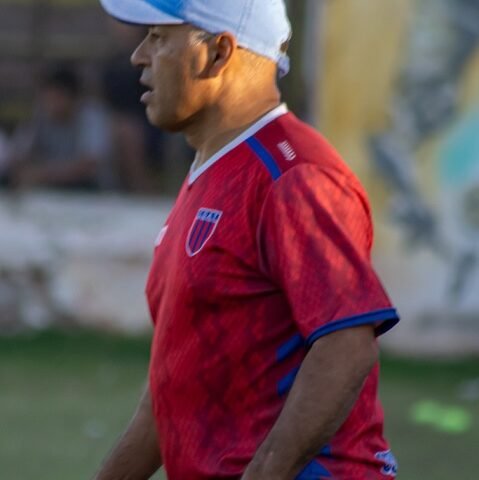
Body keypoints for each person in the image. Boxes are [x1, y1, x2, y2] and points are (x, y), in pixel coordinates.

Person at [94, 1, 400, 479]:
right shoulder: (214, 170)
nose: (138, 56)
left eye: (158, 37)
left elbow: (346, 345)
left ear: (219, 52)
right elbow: (172, 390)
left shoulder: (293, 175)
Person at [8, 66, 114, 190]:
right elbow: (18, 157)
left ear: (72, 98)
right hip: (50, 188)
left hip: (90, 190)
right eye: (47, 98)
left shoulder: (92, 116)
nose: (50, 104)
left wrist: (42, 174)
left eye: (56, 98)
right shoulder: (39, 117)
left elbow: (89, 166)